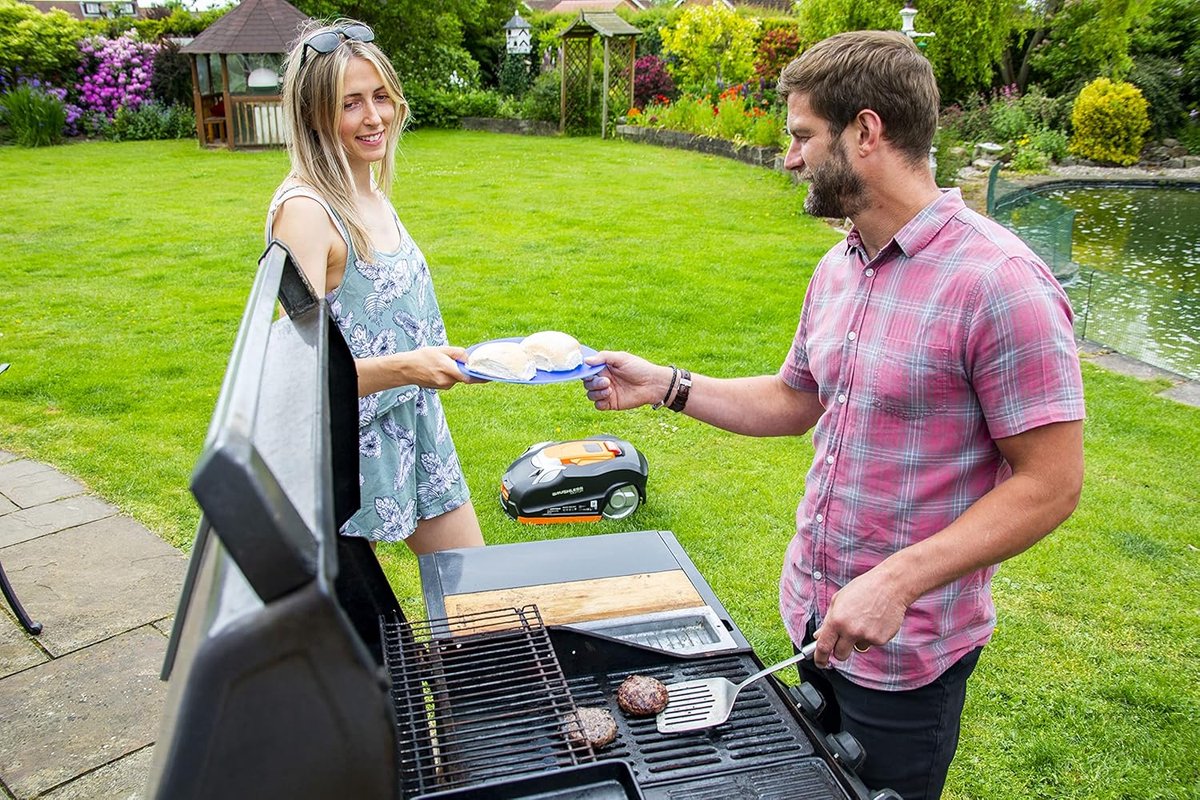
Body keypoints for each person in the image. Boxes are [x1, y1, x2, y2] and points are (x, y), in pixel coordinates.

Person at [583, 30, 1084, 799]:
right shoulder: (840, 264)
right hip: (812, 622)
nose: (789, 158)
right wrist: (666, 385)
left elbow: (1050, 483)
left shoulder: (1001, 283)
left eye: (802, 136)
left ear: (866, 131)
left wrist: (898, 581)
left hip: (907, 654)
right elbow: (795, 400)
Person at [267, 20, 484, 555]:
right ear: (313, 116)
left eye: (381, 97)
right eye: (350, 104)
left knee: (477, 595)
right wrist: (409, 367)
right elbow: (295, 377)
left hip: (412, 420)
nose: (373, 117)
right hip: (345, 452)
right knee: (348, 619)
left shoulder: (368, 190)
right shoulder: (306, 213)